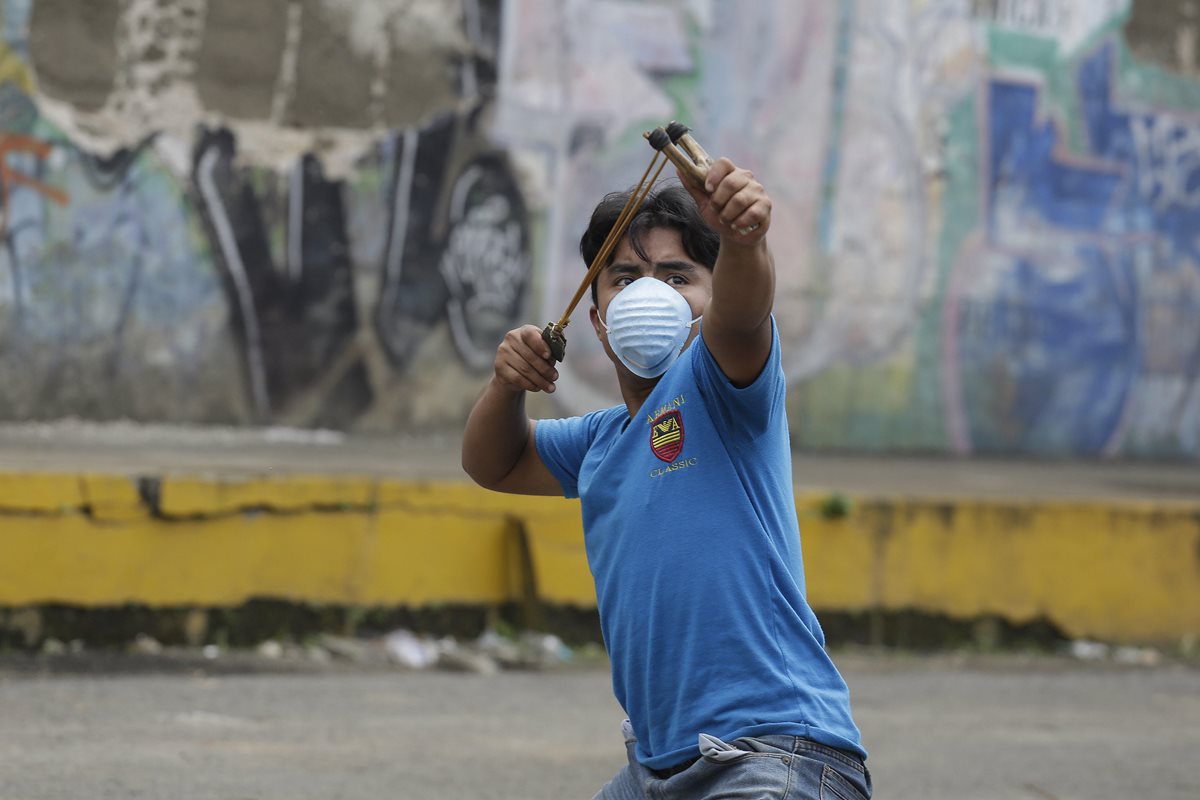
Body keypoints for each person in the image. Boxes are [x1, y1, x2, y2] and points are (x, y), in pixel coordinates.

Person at [461, 155, 871, 800]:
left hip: (773, 751)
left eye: (678, 276)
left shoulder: (722, 383)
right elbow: (496, 463)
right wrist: (505, 385)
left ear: (708, 301)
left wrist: (743, 239)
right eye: (623, 277)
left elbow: (742, 317)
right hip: (658, 770)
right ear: (595, 317)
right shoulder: (599, 438)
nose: (648, 293)